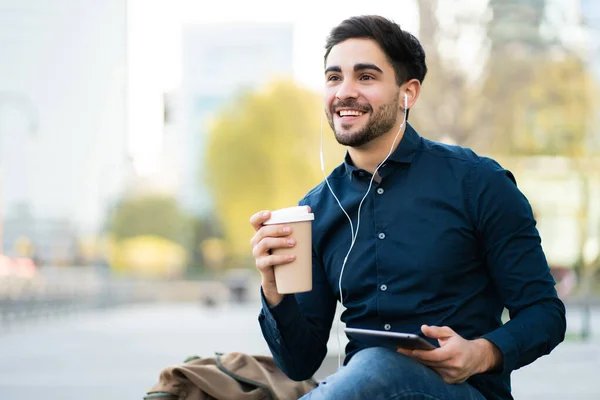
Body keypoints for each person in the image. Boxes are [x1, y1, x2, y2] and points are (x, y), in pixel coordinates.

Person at [249, 15, 566, 400]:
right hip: (363, 390)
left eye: (365, 77)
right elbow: (300, 363)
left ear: (408, 93)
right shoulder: (317, 209)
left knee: (377, 364)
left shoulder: (479, 182)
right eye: (334, 78)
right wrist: (274, 292)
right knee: (371, 366)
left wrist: (480, 353)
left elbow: (545, 314)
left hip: (464, 391)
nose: (344, 92)